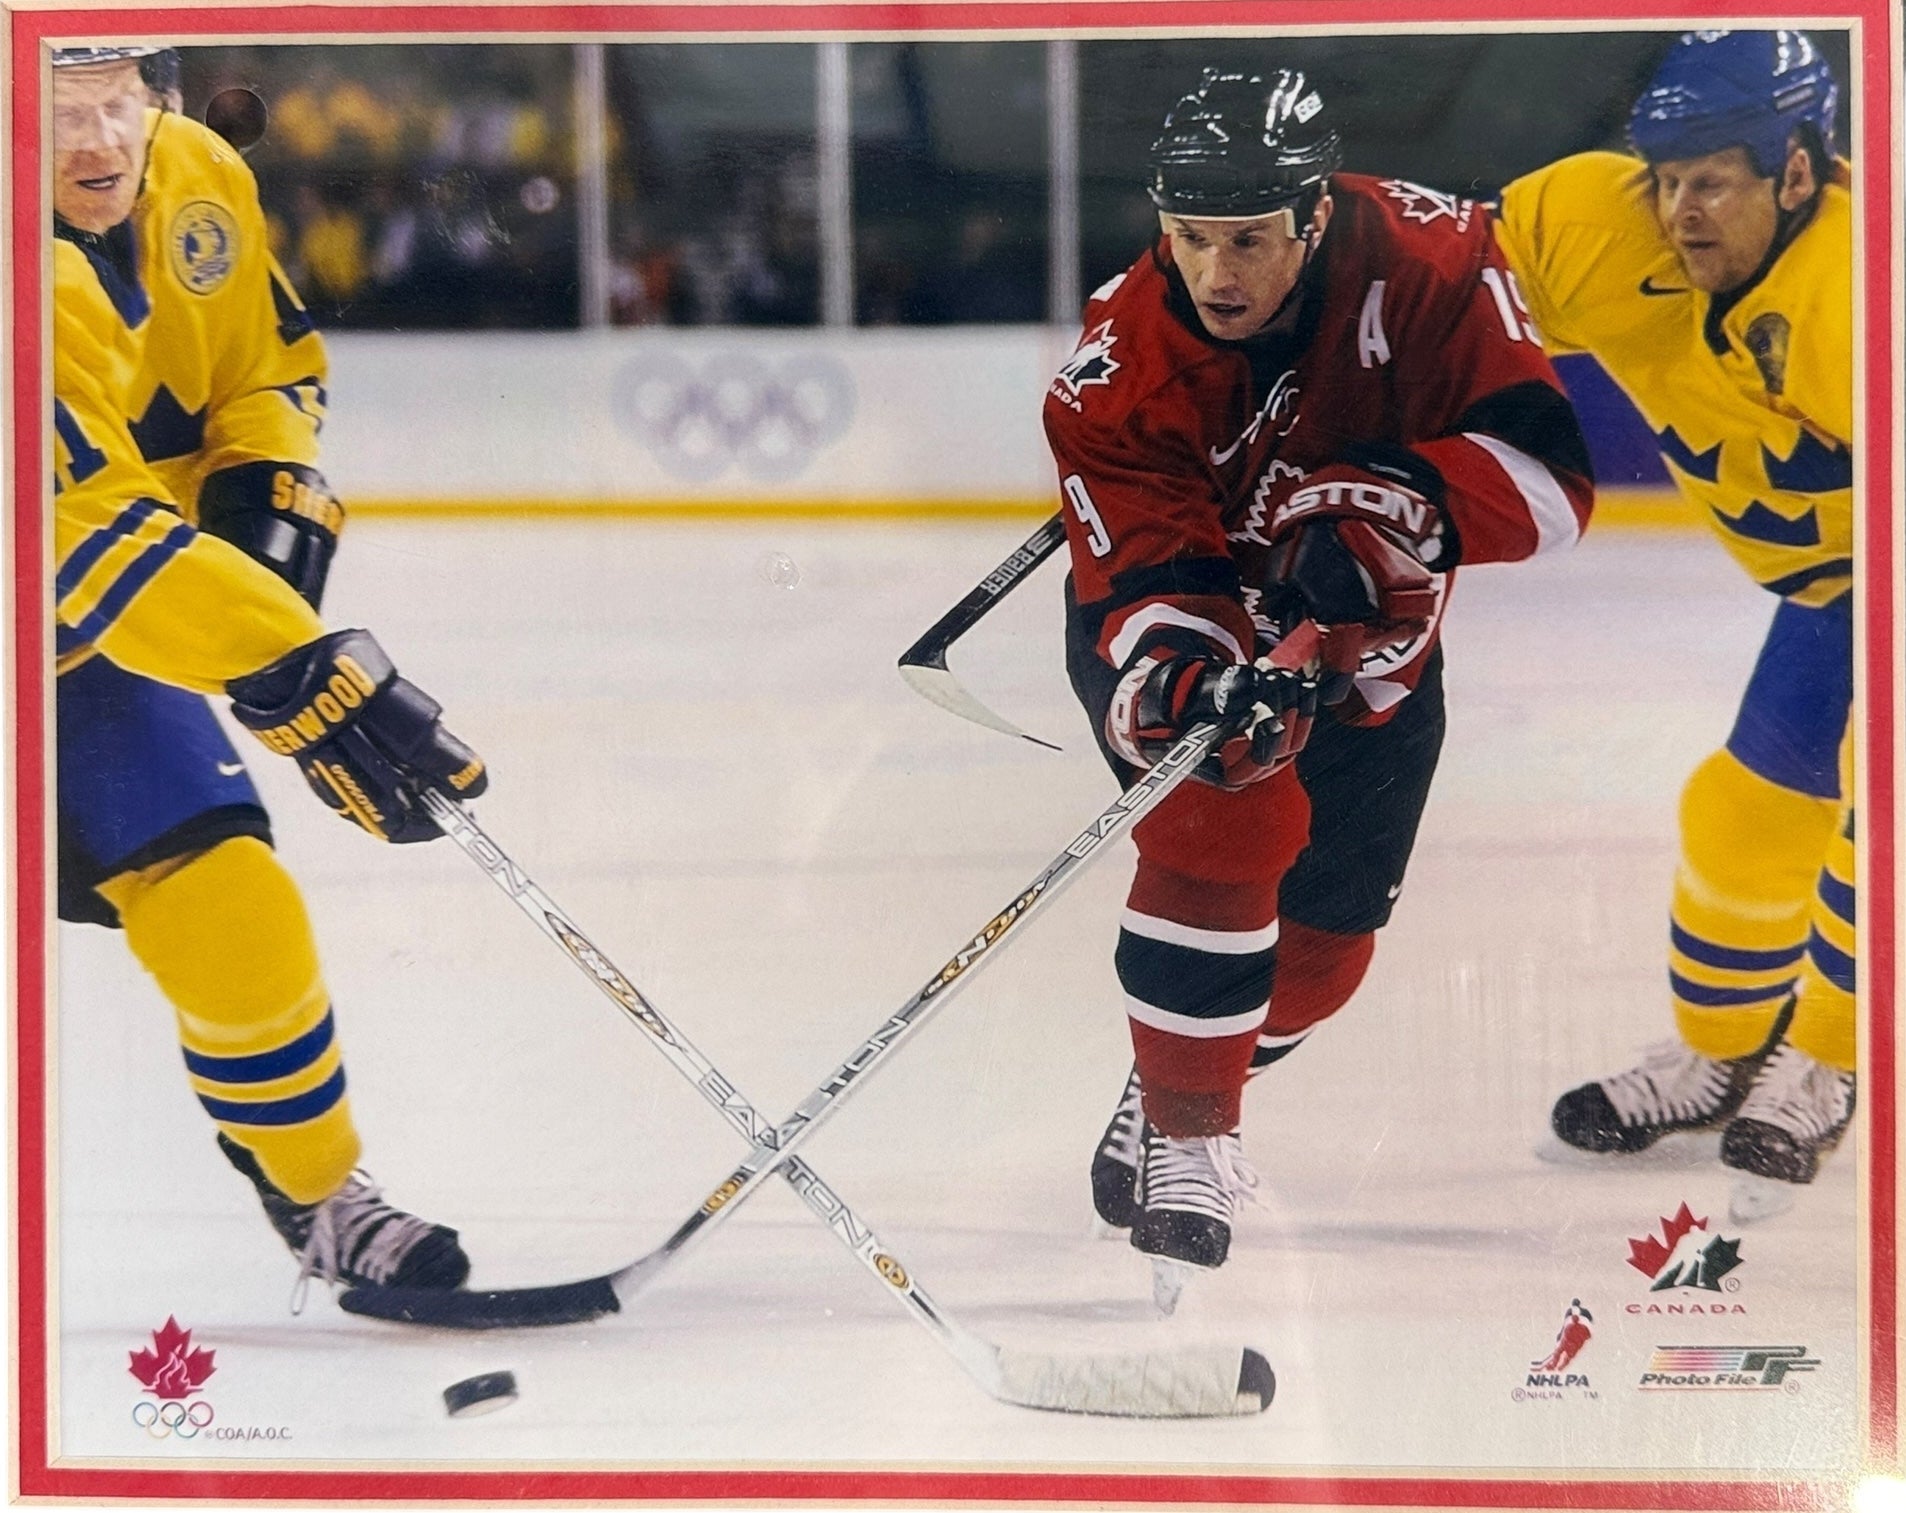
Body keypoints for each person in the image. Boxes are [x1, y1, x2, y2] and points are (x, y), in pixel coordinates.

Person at [1046, 66, 1595, 1303]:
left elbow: (1555, 486)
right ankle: (1192, 1142)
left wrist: (1379, 514)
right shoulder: (1114, 368)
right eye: (1190, 240)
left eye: (1247, 239)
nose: (1217, 273)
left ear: (1311, 216)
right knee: (1226, 796)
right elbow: (1143, 566)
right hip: (1188, 608)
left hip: (1376, 636)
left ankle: (1176, 1070)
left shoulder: (1439, 257)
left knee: (1325, 955)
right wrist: (1198, 667)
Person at [50, 46, 486, 1300]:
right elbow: (77, 528)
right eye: (54, 107)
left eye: (115, 96)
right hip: (78, 592)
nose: (96, 139)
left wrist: (264, 522)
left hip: (78, 654)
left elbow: (267, 372)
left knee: (235, 912)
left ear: (165, 91)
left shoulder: (196, 180)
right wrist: (291, 659)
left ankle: (314, 1193)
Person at [1494, 31, 1854, 1214]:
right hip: (1830, 590)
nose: (1679, 210)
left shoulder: (1862, 288)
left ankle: (1833, 1062)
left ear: (1795, 172)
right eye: (1665, 176)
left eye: (1713, 180)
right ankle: (1720, 1060)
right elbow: (1435, 293)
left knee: (1879, 817)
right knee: (1740, 817)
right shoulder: (1604, 229)